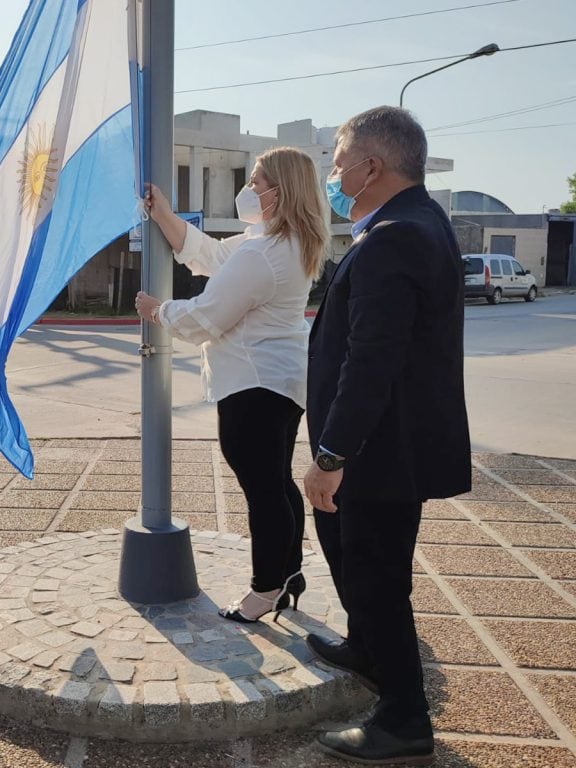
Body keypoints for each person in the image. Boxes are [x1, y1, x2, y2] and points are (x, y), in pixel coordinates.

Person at [303, 106, 471, 765]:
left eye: (339, 162)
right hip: (387, 447)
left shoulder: (395, 236)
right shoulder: (417, 222)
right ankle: (367, 650)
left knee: (376, 580)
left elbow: (372, 361)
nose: (335, 177)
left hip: (374, 453)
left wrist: (330, 455)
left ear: (372, 165)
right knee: (360, 564)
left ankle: (403, 719)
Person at [135, 146, 329, 623]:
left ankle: (265, 589)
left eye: (257, 181)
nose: (250, 189)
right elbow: (212, 254)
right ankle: (289, 575)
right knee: (276, 485)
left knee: (263, 492)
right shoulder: (275, 242)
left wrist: (158, 311)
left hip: (254, 387)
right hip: (276, 383)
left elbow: (209, 314)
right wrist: (164, 215)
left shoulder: (266, 252)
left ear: (280, 191)